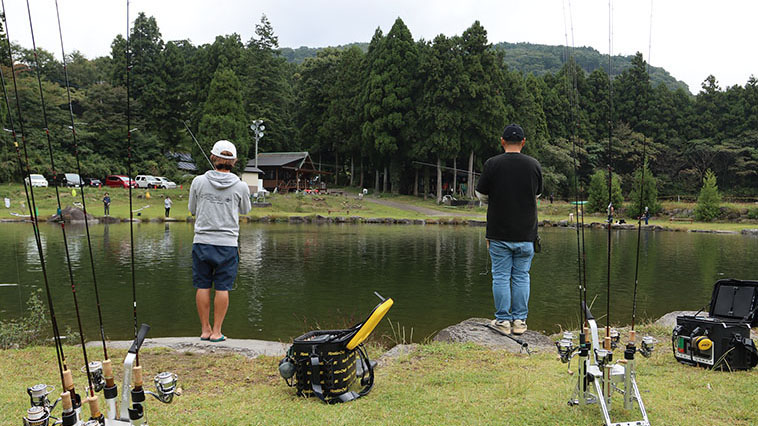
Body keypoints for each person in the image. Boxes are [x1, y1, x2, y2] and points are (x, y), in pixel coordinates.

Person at [476, 124, 542, 336]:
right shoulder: (534, 165)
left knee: (501, 277)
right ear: (523, 142)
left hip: (499, 233)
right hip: (526, 233)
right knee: (522, 276)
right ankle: (520, 322)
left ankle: (503, 321)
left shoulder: (492, 164)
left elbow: (481, 195)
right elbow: (538, 194)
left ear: (502, 141)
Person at [188, 140, 251, 342]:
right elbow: (246, 210)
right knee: (223, 287)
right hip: (228, 244)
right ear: (234, 161)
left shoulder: (198, 181)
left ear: (213, 158)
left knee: (202, 285)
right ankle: (217, 332)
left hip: (202, 242)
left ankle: (205, 330)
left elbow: (192, 209)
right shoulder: (240, 186)